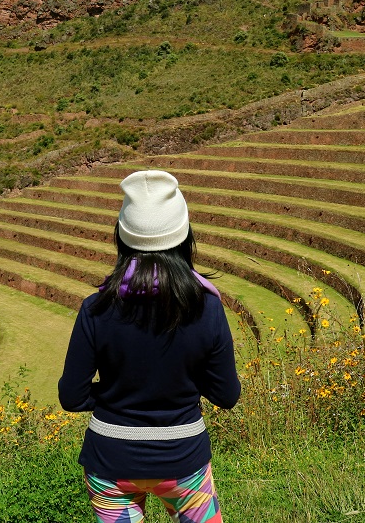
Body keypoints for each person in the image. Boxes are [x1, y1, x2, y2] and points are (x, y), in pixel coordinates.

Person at [58, 169, 241, 523]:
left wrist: (115, 392)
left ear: (122, 239)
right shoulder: (208, 308)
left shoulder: (95, 309)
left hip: (110, 462)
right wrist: (180, 383)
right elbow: (226, 395)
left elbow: (72, 397)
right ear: (185, 237)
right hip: (183, 460)